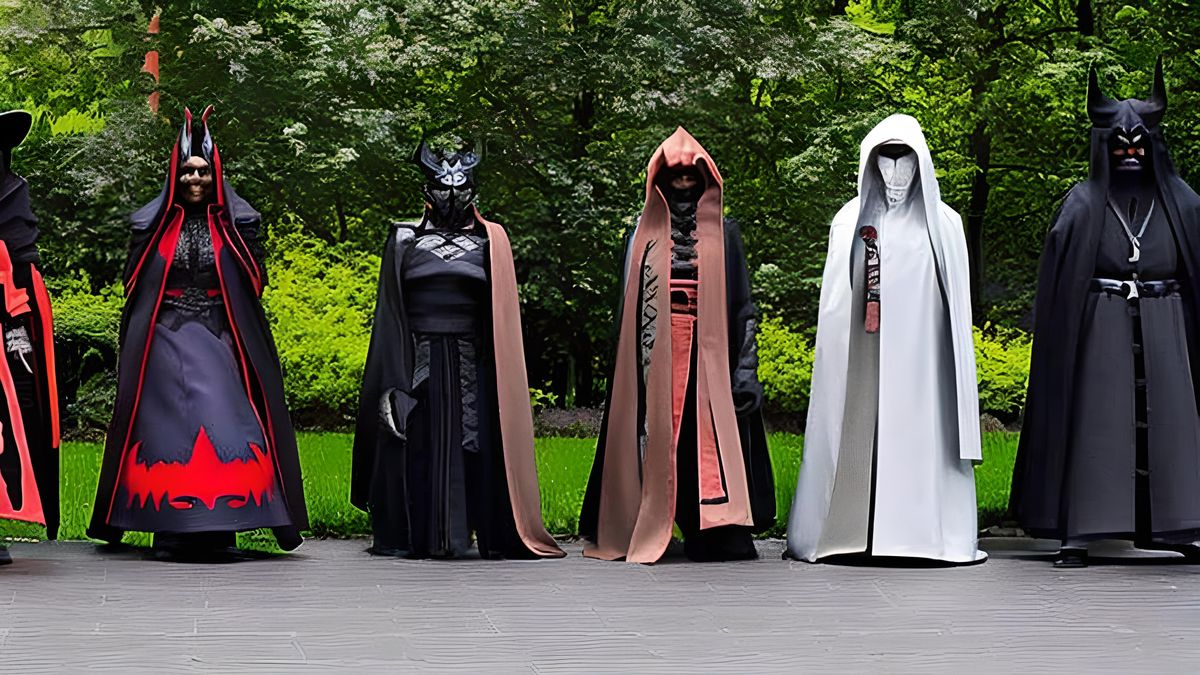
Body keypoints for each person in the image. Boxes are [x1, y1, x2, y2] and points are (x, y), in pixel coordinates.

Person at [88, 106, 307, 560]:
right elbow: (135, 284)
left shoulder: (239, 224)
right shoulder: (149, 225)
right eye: (187, 171)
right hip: (162, 336)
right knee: (165, 429)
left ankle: (223, 525)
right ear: (175, 174)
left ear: (215, 174)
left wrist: (239, 239)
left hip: (219, 334)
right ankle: (170, 527)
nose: (194, 179)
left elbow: (254, 284)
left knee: (228, 420)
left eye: (203, 172)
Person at [1011, 59, 1200, 568]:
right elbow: (1058, 284)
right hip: (1100, 327)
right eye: (1120, 146)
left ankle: (1179, 524)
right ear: (1103, 149)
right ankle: (1082, 528)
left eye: (1139, 146)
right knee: (1097, 426)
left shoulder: (1184, 203)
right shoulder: (1080, 204)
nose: (1130, 154)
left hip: (1168, 326)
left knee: (1174, 425)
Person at [786, 114, 985, 565]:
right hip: (862, 355)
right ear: (870, 162)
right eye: (886, 158)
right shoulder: (849, 220)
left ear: (922, 162)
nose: (895, 170)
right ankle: (848, 531)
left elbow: (956, 310)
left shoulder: (944, 225)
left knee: (918, 437)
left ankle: (923, 537)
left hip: (923, 362)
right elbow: (835, 303)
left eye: (904, 158)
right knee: (857, 433)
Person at [351, 142, 563, 560]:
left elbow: (499, 315)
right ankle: (418, 534)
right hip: (419, 356)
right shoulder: (403, 239)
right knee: (417, 440)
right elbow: (389, 314)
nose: (451, 197)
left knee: (475, 442)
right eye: (442, 188)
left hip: (472, 358)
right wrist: (390, 380)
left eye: (460, 188)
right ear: (427, 192)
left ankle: (473, 531)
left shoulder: (490, 241)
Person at [580, 127, 775, 564]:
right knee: (658, 438)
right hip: (656, 358)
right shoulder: (640, 238)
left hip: (709, 360)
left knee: (702, 443)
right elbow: (626, 314)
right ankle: (650, 521)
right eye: (675, 177)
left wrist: (745, 370)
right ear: (660, 182)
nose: (684, 184)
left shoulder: (725, 234)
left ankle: (713, 529)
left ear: (705, 180)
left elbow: (742, 306)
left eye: (692, 177)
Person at [0, 109, 59, 566]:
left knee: (12, 419)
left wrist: (17, 328)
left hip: (7, 322)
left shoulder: (12, 193)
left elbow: (22, 265)